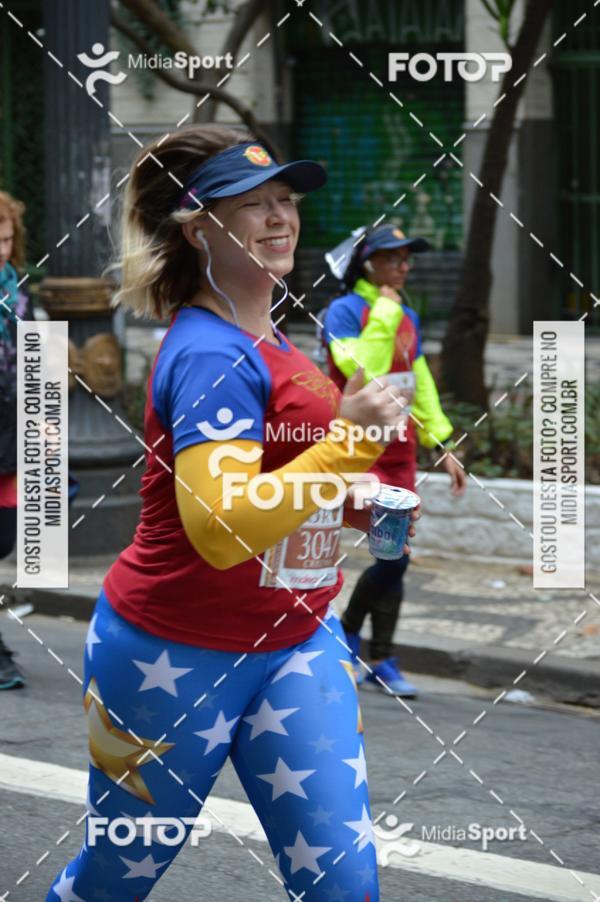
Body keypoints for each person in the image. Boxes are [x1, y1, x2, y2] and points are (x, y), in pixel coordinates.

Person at [47, 126, 419, 901]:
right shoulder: (209, 353)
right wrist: (350, 446)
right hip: (174, 651)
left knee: (345, 886)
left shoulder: (274, 339)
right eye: (252, 205)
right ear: (198, 228)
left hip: (297, 638)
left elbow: (284, 483)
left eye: (285, 200)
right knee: (118, 877)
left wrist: (350, 506)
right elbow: (219, 532)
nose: (280, 217)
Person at [323, 224, 466, 698]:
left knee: (396, 554)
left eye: (408, 259)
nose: (404, 267)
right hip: (359, 447)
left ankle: (376, 655)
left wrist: (441, 441)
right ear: (368, 263)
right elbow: (359, 369)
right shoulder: (346, 310)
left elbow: (416, 375)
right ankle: (348, 637)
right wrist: (383, 311)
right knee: (391, 553)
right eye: (393, 259)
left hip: (400, 448)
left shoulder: (406, 312)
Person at [0, 191, 32, 690]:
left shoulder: (19, 293)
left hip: (9, 436)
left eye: (6, 239)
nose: (1, 249)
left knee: (4, 538)